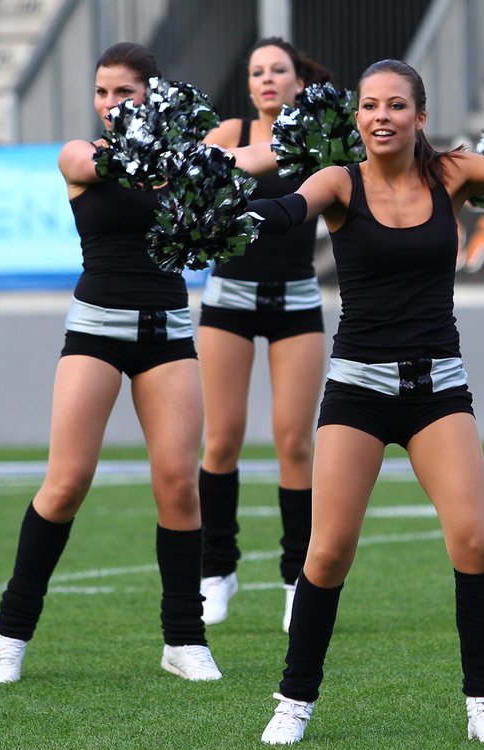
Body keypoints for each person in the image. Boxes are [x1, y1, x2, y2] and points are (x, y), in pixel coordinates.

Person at [242, 59, 484, 744]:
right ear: (356, 117)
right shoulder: (339, 181)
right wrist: (237, 210)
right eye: (370, 105)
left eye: (396, 105)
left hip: (437, 390)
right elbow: (288, 210)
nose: (381, 117)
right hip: (358, 391)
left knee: (474, 542)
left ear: (419, 116)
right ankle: (294, 699)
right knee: (327, 552)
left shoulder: (451, 174)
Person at [0, 41, 272, 685]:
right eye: (101, 91)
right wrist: (180, 154)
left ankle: (184, 640)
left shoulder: (183, 162)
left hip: (167, 333)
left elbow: (251, 157)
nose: (110, 103)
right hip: (95, 332)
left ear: (153, 96)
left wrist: (328, 143)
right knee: (66, 483)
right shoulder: (79, 155)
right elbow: (104, 163)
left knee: (178, 485)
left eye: (125, 92)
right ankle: (12, 633)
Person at [196, 38, 333, 632]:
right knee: (221, 440)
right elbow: (192, 180)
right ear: (249, 84)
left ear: (299, 82)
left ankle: (296, 578)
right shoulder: (231, 133)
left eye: (279, 70)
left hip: (296, 301)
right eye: (257, 72)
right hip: (229, 299)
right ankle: (216, 571)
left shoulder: (319, 140)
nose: (268, 79)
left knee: (294, 443)